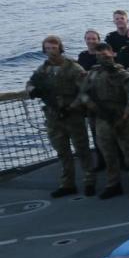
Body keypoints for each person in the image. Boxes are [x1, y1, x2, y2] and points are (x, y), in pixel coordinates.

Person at [77, 41, 129, 200]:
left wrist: (126, 114)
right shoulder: (93, 74)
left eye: (106, 56)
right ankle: (113, 184)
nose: (104, 59)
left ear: (113, 54)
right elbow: (83, 92)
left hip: (121, 116)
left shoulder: (122, 74)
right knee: (108, 153)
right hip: (102, 117)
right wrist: (91, 104)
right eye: (100, 56)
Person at [27, 35, 91, 197]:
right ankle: (67, 183)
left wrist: (73, 107)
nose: (51, 52)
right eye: (47, 48)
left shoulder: (73, 68)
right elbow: (31, 82)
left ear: (60, 48)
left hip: (72, 115)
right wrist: (32, 90)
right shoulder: (43, 69)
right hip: (53, 116)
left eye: (54, 48)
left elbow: (85, 91)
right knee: (62, 151)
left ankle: (89, 180)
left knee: (82, 149)